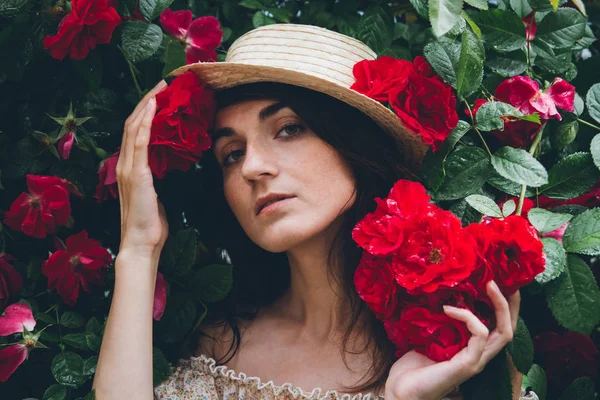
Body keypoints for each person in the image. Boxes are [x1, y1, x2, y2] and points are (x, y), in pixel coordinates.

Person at [92, 24, 535, 400]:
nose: (251, 167)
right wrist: (139, 247)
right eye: (230, 152)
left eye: (288, 129)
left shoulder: (455, 346)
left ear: (354, 145)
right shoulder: (215, 342)